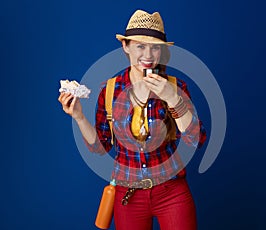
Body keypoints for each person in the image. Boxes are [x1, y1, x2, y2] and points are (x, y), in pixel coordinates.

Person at [58, 9, 206, 230]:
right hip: (128, 196)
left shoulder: (175, 87)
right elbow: (100, 147)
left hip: (171, 192)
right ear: (126, 47)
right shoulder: (109, 91)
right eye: (140, 46)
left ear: (162, 51)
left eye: (155, 47)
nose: (148, 55)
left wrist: (172, 99)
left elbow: (196, 139)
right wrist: (79, 117)